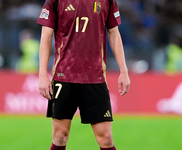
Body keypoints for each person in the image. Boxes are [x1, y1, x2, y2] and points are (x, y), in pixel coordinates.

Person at [37, 0, 130, 150]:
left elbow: (114, 33)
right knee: (60, 136)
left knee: (106, 138)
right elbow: (45, 38)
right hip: (63, 76)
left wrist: (123, 71)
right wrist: (42, 75)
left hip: (95, 77)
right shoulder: (54, 1)